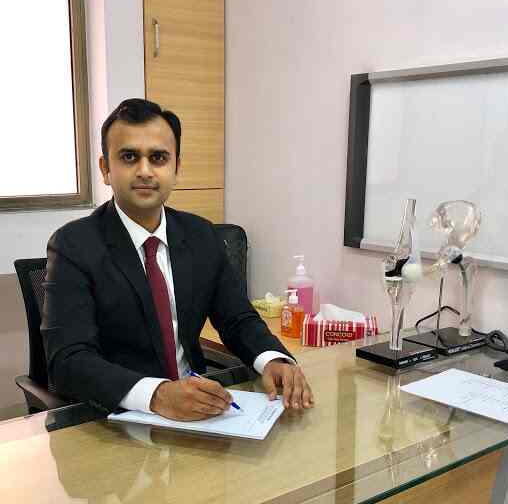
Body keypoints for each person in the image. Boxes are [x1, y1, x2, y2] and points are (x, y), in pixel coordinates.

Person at [42, 98, 314, 421]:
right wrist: (157, 395)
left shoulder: (201, 234)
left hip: (199, 412)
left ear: (176, 168)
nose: (145, 170)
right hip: (118, 417)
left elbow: (237, 318)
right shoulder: (74, 245)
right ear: (105, 169)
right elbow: (68, 361)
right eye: (129, 157)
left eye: (158, 158)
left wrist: (272, 359)